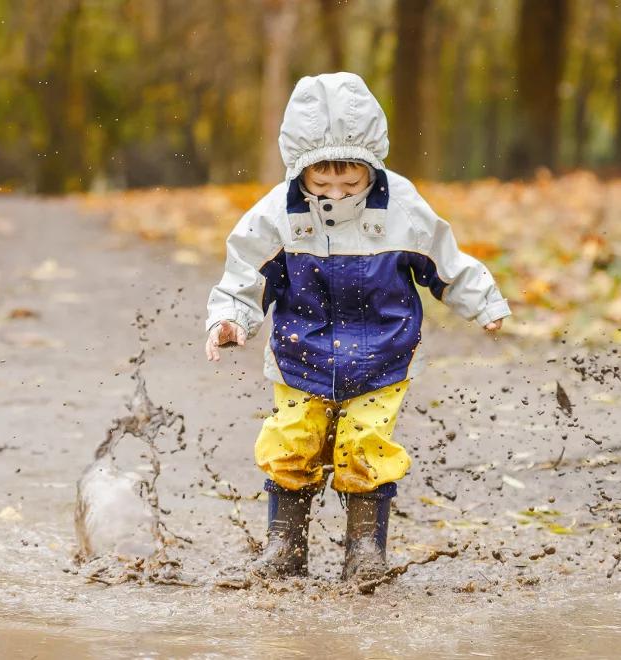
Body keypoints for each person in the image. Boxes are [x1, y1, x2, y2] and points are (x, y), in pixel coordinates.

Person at [204, 72, 509, 582]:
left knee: (365, 447)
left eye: (352, 183)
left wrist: (482, 301)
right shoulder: (277, 213)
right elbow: (245, 274)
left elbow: (443, 260)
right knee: (290, 440)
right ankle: (285, 546)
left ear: (374, 167)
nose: (338, 193)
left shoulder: (402, 207)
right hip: (301, 354)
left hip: (384, 355)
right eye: (322, 184)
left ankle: (365, 549)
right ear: (300, 173)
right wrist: (230, 320)